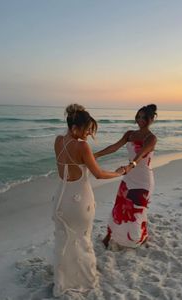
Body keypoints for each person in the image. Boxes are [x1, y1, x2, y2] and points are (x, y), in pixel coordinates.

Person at [52, 104, 124, 296]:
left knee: (64, 240)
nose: (88, 134)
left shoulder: (58, 140)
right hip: (78, 201)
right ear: (76, 127)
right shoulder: (82, 146)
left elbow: (71, 162)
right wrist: (118, 172)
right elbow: (98, 174)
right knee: (82, 239)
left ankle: (63, 279)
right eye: (87, 130)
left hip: (60, 199)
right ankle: (83, 279)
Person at [95, 104, 157, 249]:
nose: (140, 120)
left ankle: (138, 237)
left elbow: (140, 155)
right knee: (119, 206)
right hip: (129, 177)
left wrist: (128, 167)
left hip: (143, 179)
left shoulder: (151, 138)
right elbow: (114, 147)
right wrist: (96, 155)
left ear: (151, 119)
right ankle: (109, 235)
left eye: (144, 117)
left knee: (137, 211)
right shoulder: (129, 134)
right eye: (138, 117)